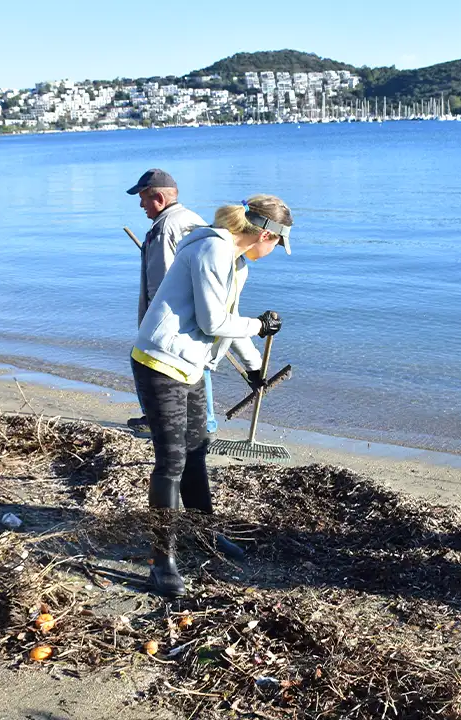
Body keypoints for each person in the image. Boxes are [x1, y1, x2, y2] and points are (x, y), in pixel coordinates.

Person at [130, 194, 293, 596]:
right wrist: (259, 325)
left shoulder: (235, 262)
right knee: (170, 462)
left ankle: (203, 535)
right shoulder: (212, 249)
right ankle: (161, 560)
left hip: (189, 365)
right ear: (266, 235)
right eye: (278, 244)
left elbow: (223, 322)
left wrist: (255, 368)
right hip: (159, 362)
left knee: (198, 449)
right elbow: (214, 320)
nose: (274, 252)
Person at [125, 169, 204, 435]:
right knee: (193, 365)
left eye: (143, 198)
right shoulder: (193, 219)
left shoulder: (163, 227)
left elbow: (159, 281)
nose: (141, 204)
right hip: (195, 310)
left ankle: (155, 419)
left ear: (158, 197)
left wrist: (151, 322)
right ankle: (201, 423)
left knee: (151, 363)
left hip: (168, 315)